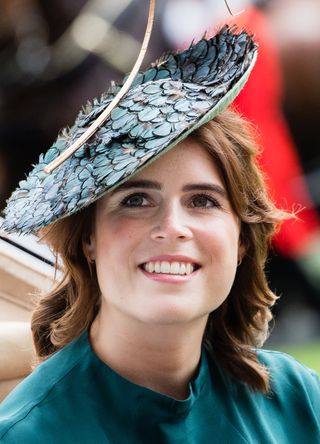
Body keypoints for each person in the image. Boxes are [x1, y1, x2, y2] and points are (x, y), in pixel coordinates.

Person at [0, 23, 319, 444]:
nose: (173, 228)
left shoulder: (301, 401)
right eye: (135, 200)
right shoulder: (28, 434)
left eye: (203, 201)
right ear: (87, 238)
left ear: (242, 238)